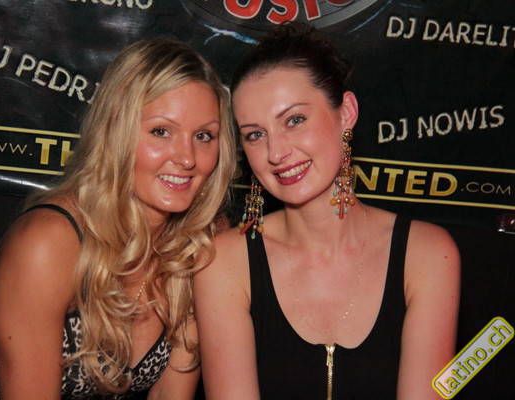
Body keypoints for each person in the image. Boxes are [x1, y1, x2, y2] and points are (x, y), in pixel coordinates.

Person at [0, 37, 236, 400]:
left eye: (204, 136)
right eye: (161, 131)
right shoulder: (48, 243)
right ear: (115, 131)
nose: (187, 157)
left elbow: (170, 394)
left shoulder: (202, 241)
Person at [195, 23, 460, 400]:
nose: (275, 152)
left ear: (346, 113)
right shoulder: (224, 262)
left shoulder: (428, 254)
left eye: (294, 120)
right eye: (255, 134)